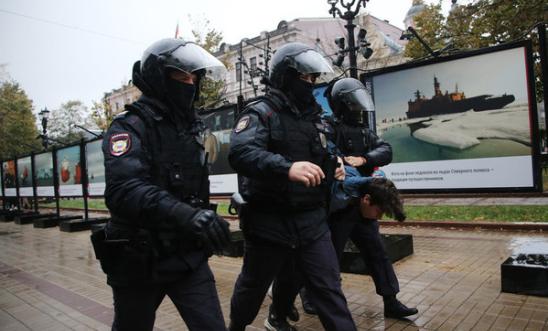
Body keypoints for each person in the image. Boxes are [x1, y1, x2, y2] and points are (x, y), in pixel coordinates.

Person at [96, 38, 231, 331]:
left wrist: (204, 218)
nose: (190, 82)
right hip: (139, 257)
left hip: (186, 254)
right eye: (182, 76)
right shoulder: (130, 126)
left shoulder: (191, 125)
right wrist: (188, 215)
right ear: (160, 77)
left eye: (195, 76)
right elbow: (124, 190)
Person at [227, 42, 356, 331]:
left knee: (329, 289)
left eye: (313, 79)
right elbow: (241, 153)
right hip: (268, 223)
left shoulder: (314, 118)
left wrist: (333, 164)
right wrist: (286, 168)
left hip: (311, 221)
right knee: (253, 287)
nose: (310, 85)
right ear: (286, 76)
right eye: (305, 78)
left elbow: (321, 152)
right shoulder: (261, 113)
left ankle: (279, 316)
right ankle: (237, 326)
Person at [301, 77, 418, 319]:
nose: (358, 106)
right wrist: (342, 163)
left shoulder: (364, 131)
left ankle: (390, 300)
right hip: (339, 207)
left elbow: (386, 150)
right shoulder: (326, 127)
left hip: (364, 204)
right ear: (342, 103)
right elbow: (326, 155)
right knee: (328, 256)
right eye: (353, 102)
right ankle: (311, 294)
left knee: (377, 253)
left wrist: (365, 160)